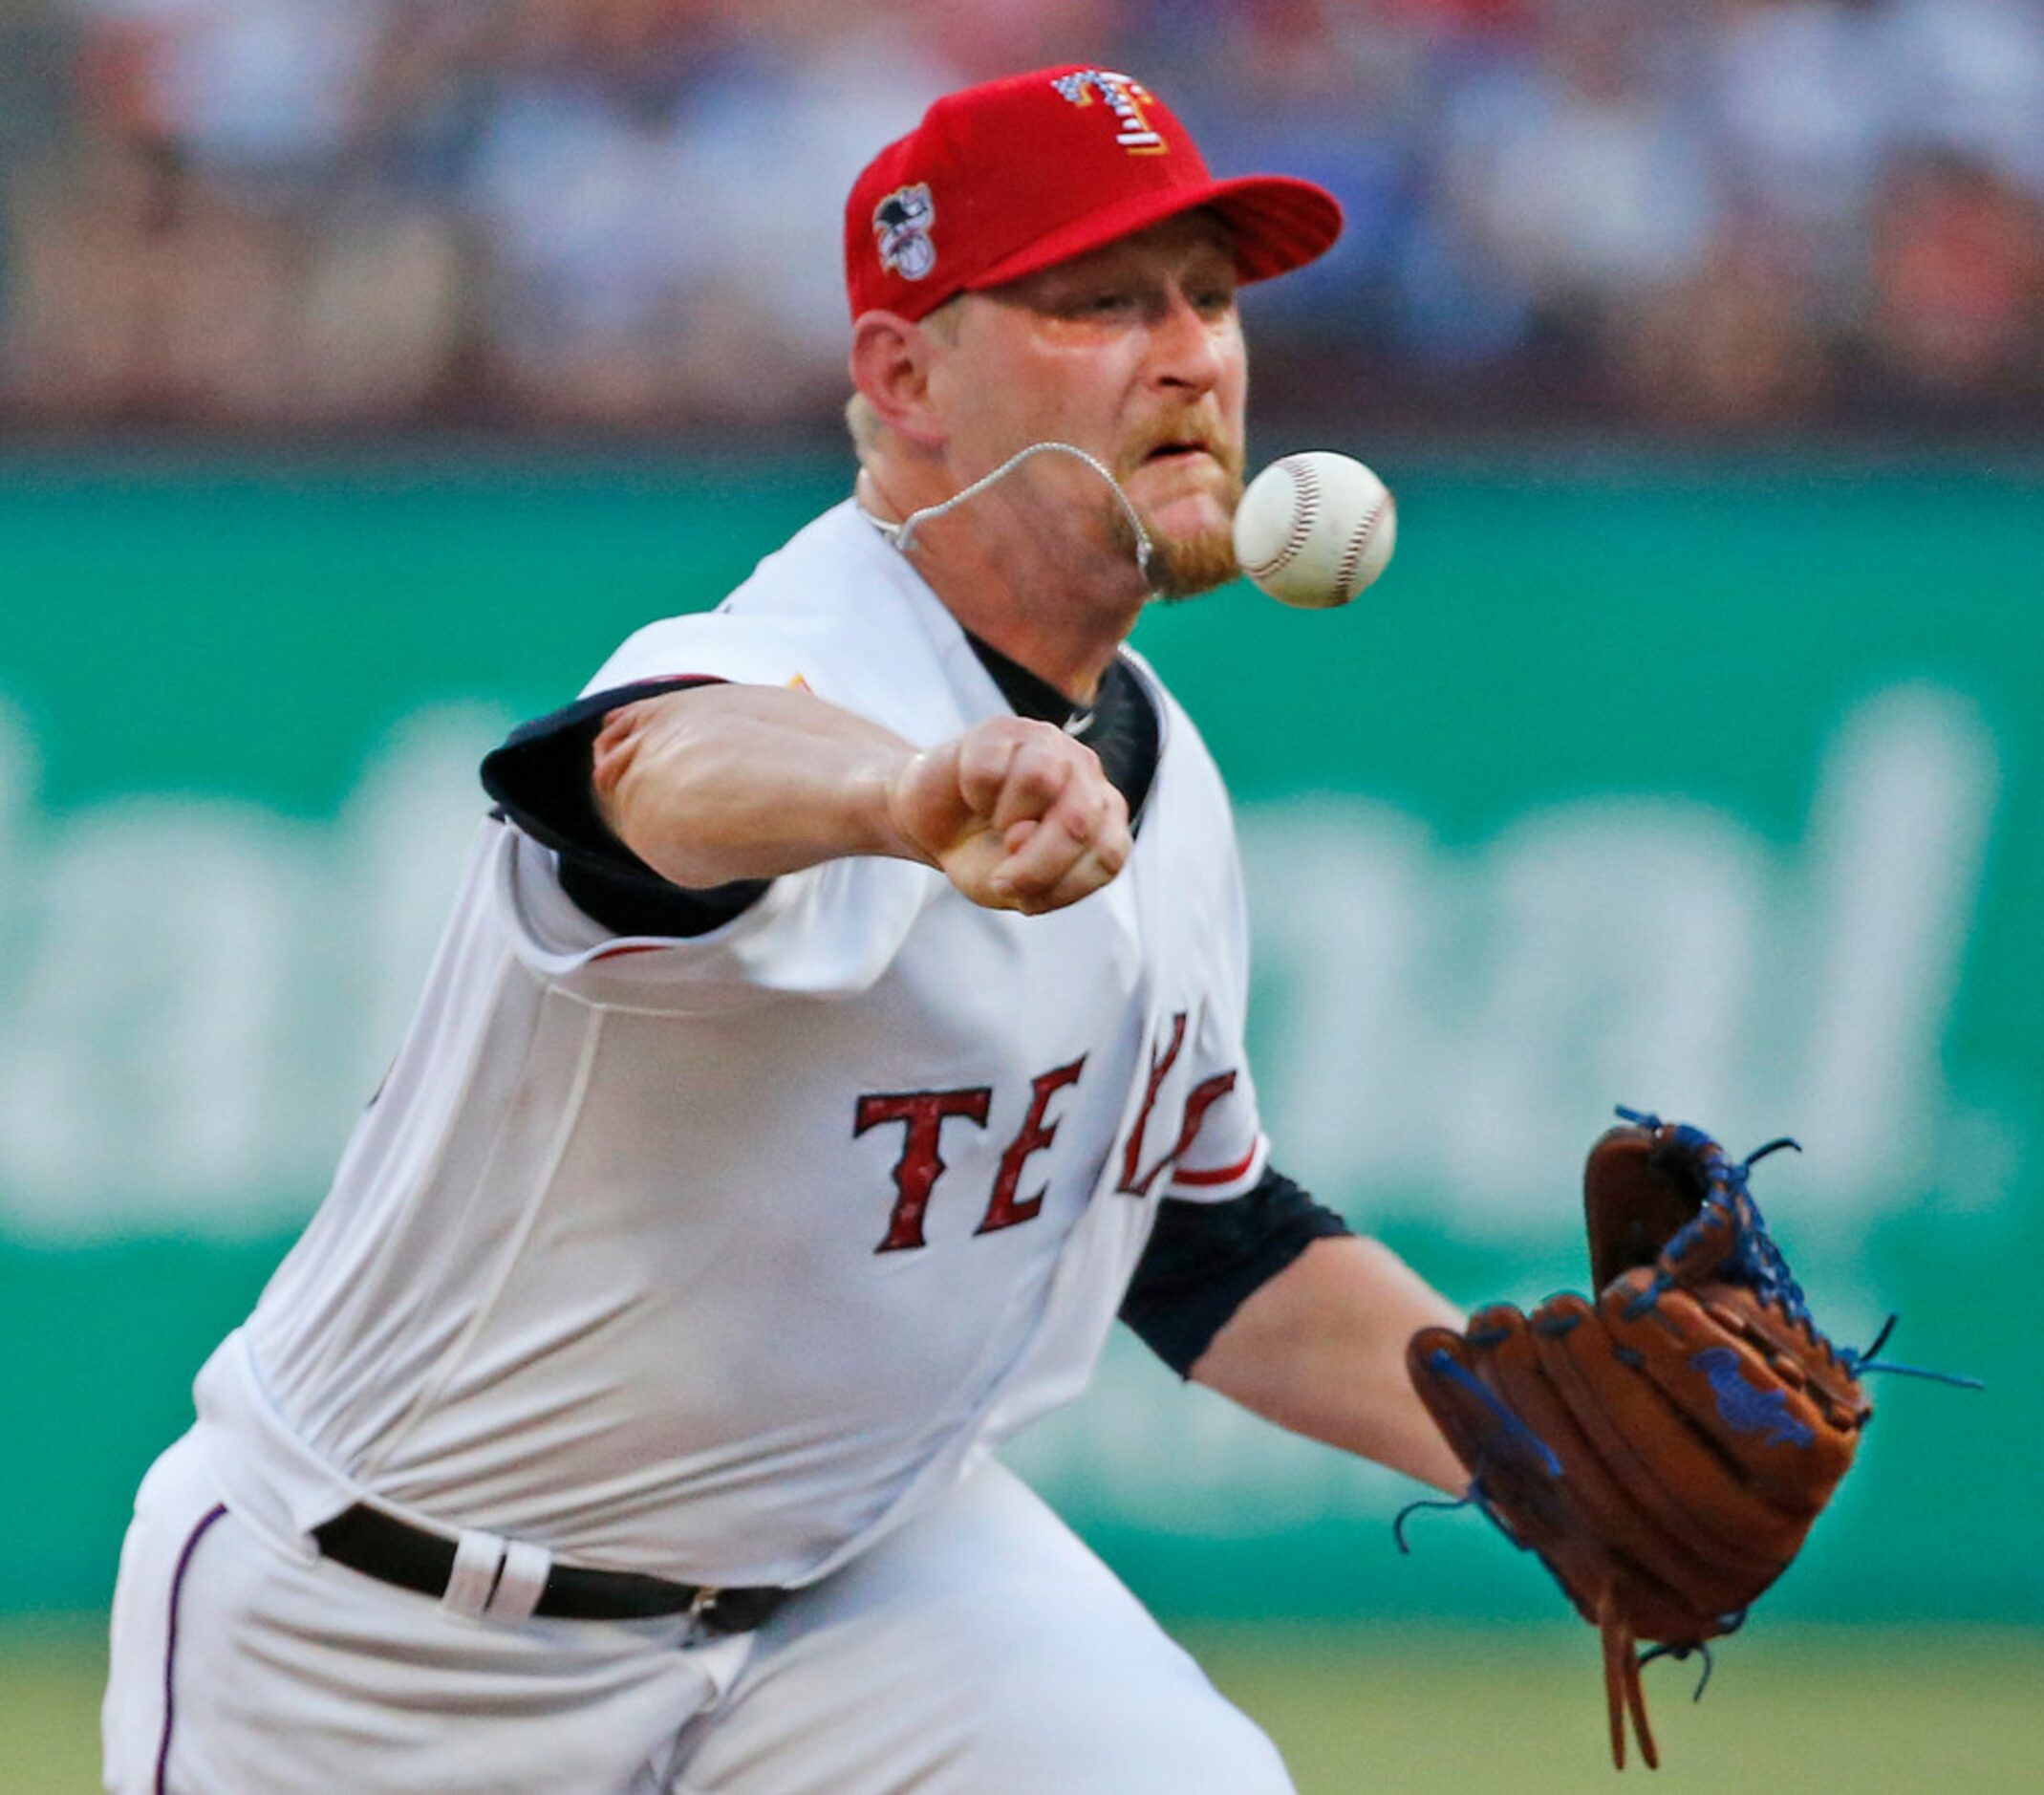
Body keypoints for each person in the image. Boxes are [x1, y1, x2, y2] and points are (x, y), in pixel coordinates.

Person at [102, 66, 1468, 1794]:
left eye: (1209, 295)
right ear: (907, 377)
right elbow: (650, 763)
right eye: (1101, 301)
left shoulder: (1165, 775)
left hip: (853, 1599)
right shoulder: (797, 660)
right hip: (390, 1634)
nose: (1192, 351)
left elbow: (1208, 1244)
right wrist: (905, 795)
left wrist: (1525, 1437)